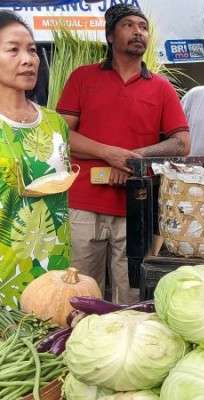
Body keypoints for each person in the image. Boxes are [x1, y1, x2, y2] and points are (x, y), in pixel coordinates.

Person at [57, 4, 190, 304]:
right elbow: (62, 135)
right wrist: (109, 153)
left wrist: (132, 158)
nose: (138, 32)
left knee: (130, 295)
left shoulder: (161, 87)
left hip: (136, 206)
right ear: (109, 35)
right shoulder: (83, 78)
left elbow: (182, 143)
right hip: (83, 203)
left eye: (143, 27)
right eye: (129, 25)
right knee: (78, 290)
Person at [0, 11, 73, 307]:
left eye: (31, 49)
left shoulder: (55, 124)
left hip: (54, 269)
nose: (28, 59)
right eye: (13, 50)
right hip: (6, 269)